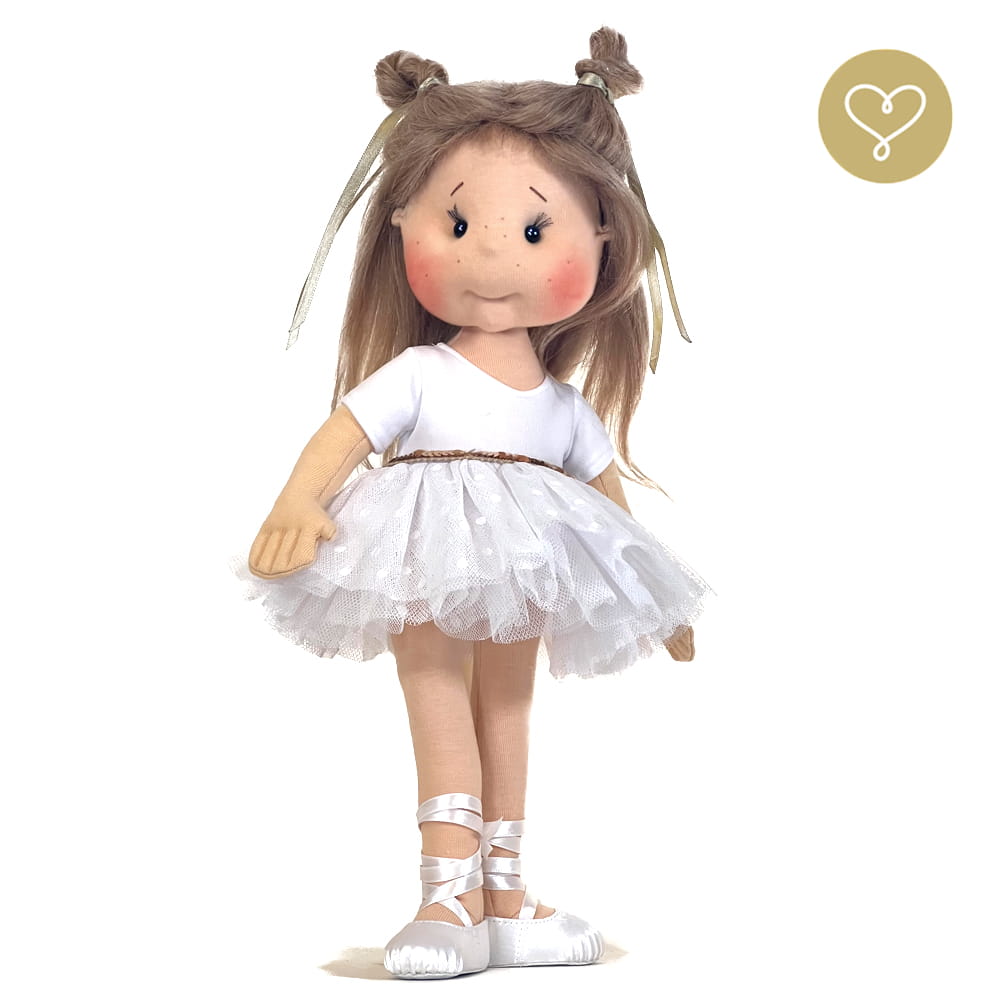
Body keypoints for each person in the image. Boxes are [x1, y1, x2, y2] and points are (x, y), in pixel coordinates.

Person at [238, 26, 712, 979]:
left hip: (532, 555)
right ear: (402, 228)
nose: (493, 253)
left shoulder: (565, 408)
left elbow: (610, 508)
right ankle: (443, 889)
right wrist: (296, 500)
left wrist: (655, 597)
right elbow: (345, 434)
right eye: (457, 226)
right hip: (416, 542)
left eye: (536, 231)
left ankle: (504, 890)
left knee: (510, 705)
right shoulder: (419, 373)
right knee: (433, 694)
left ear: (602, 240)